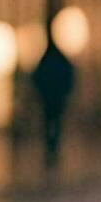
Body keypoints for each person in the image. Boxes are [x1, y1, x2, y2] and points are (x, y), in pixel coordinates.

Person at [31, 34, 76, 168]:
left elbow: (37, 77)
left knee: (51, 125)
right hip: (55, 99)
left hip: (51, 99)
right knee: (54, 125)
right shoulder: (58, 60)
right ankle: (52, 151)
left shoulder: (46, 60)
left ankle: (51, 151)